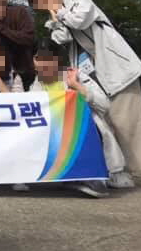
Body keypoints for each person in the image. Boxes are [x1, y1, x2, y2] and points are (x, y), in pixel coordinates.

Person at [26, 0, 141, 175]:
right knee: (103, 121)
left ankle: (131, 170)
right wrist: (55, 19)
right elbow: (61, 40)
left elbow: (80, 20)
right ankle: (114, 170)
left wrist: (58, 10)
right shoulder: (53, 19)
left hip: (115, 68)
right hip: (89, 74)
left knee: (125, 120)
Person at [28, 40, 130, 193]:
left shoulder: (76, 75)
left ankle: (91, 176)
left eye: (48, 58)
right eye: (38, 58)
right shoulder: (35, 86)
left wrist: (77, 86)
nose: (44, 63)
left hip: (81, 131)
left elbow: (104, 105)